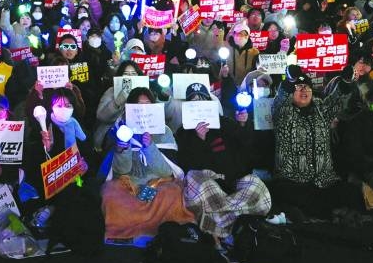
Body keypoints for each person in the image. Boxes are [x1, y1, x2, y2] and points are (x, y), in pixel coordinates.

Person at [175, 82, 271, 240]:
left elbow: (247, 147)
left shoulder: (226, 123)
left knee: (257, 186)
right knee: (195, 179)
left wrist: (243, 124)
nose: (199, 104)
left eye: (202, 100)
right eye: (194, 102)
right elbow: (186, 163)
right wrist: (200, 140)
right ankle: (240, 221)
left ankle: (217, 223)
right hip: (206, 187)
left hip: (231, 183)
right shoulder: (183, 132)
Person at [100, 87, 193, 245]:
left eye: (147, 105)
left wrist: (150, 147)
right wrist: (122, 149)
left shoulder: (164, 131)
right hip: (128, 181)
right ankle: (123, 233)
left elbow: (165, 171)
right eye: (137, 106)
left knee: (172, 194)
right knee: (110, 194)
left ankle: (162, 233)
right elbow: (121, 171)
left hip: (157, 180)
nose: (143, 109)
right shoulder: (118, 130)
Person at [269, 64, 361, 219]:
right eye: (299, 87)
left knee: (352, 193)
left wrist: (345, 82)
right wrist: (290, 80)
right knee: (301, 201)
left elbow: (336, 100)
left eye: (307, 88)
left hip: (324, 179)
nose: (304, 90)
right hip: (292, 179)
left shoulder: (320, 109)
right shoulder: (284, 112)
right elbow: (281, 98)